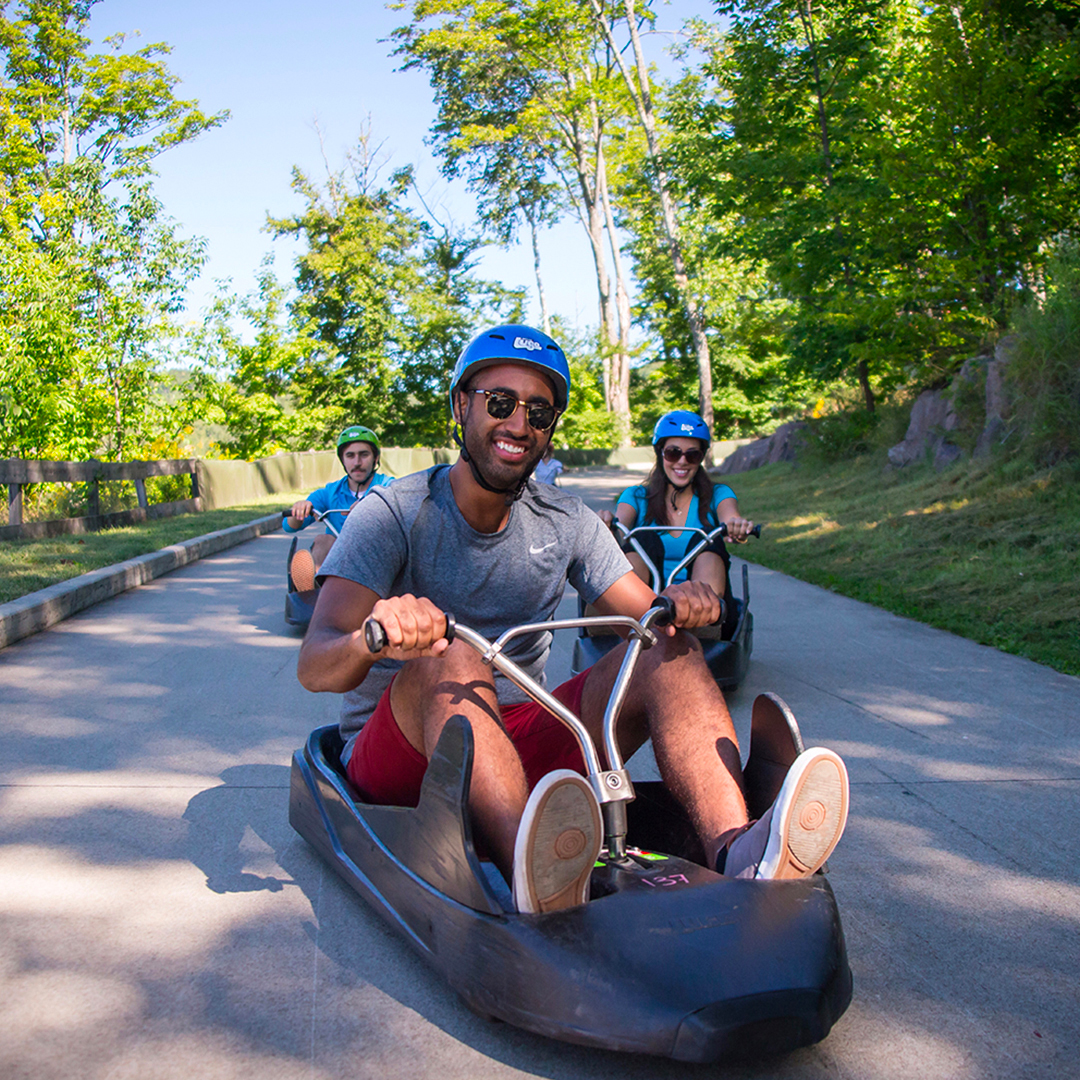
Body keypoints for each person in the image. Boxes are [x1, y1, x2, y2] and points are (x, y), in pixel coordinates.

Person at [297, 325, 848, 915]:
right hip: (399, 761)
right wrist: (375, 636)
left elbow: (644, 614)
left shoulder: (565, 520)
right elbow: (316, 664)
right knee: (453, 654)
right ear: (462, 405)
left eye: (538, 411)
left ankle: (739, 851)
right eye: (501, 403)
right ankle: (532, 873)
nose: (518, 424)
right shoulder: (392, 513)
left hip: (515, 748)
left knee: (667, 647)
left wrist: (683, 605)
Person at [598, 411, 753, 634]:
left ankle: (700, 616)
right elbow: (620, 523)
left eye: (692, 455)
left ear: (701, 458)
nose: (682, 461)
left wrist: (736, 526)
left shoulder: (718, 494)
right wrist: (608, 525)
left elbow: (731, 516)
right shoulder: (636, 496)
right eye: (673, 453)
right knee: (640, 539)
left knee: (709, 539)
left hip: (698, 607)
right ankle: (638, 616)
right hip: (645, 602)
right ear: (660, 453)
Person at [285, 425, 393, 591]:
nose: (357, 462)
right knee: (323, 540)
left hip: (375, 555)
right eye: (350, 456)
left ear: (375, 458)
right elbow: (289, 526)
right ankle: (315, 589)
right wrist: (299, 509)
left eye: (364, 455)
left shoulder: (389, 486)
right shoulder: (330, 492)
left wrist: (372, 506)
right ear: (343, 460)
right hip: (338, 561)